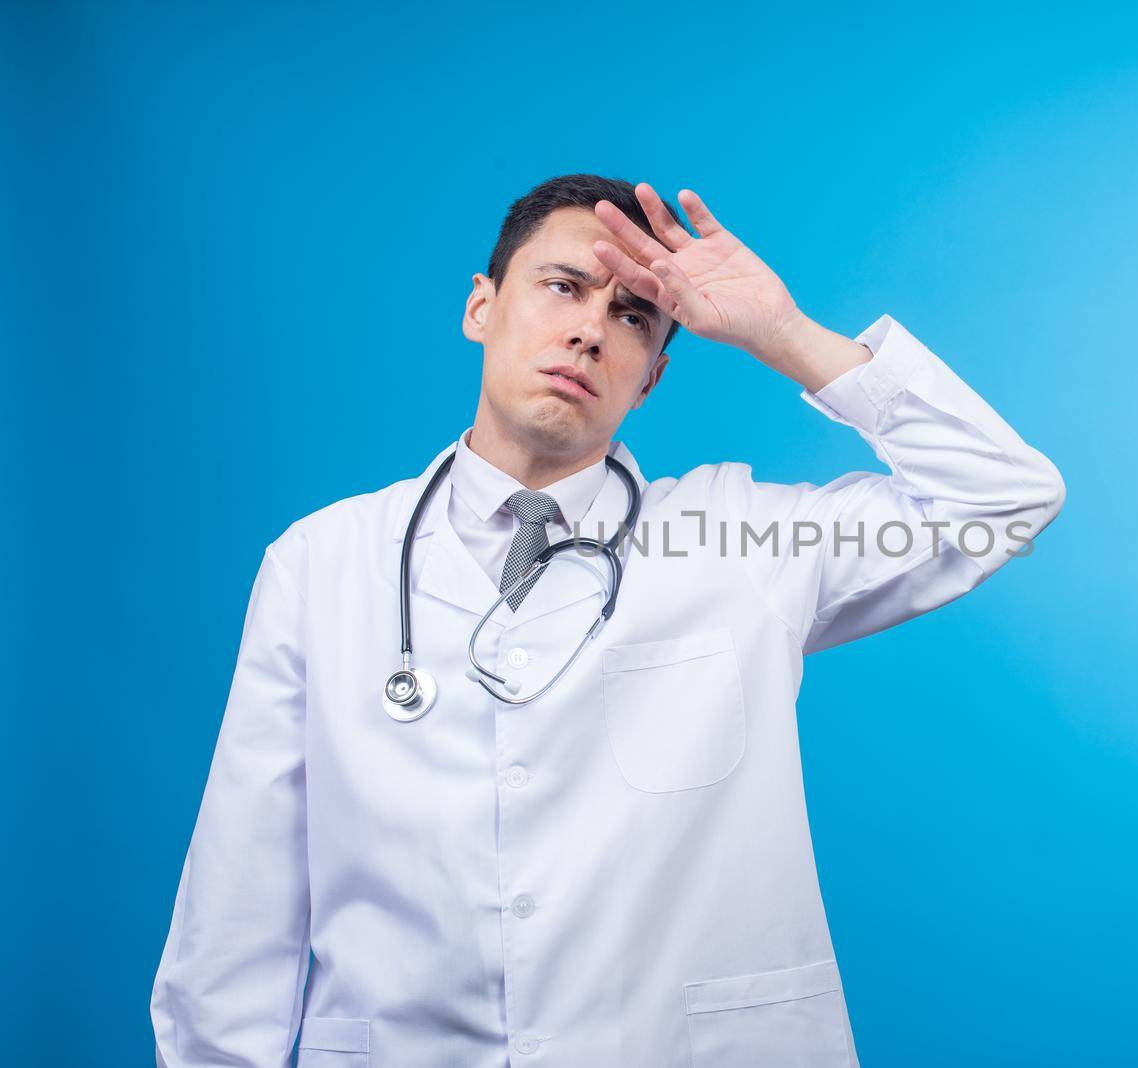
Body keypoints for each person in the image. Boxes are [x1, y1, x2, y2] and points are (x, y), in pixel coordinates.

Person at [150, 173, 1066, 1067]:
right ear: (481, 307)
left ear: (653, 377)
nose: (591, 330)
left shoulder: (743, 537)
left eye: (633, 316)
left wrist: (785, 335)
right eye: (563, 288)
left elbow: (1005, 500)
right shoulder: (321, 562)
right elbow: (242, 898)